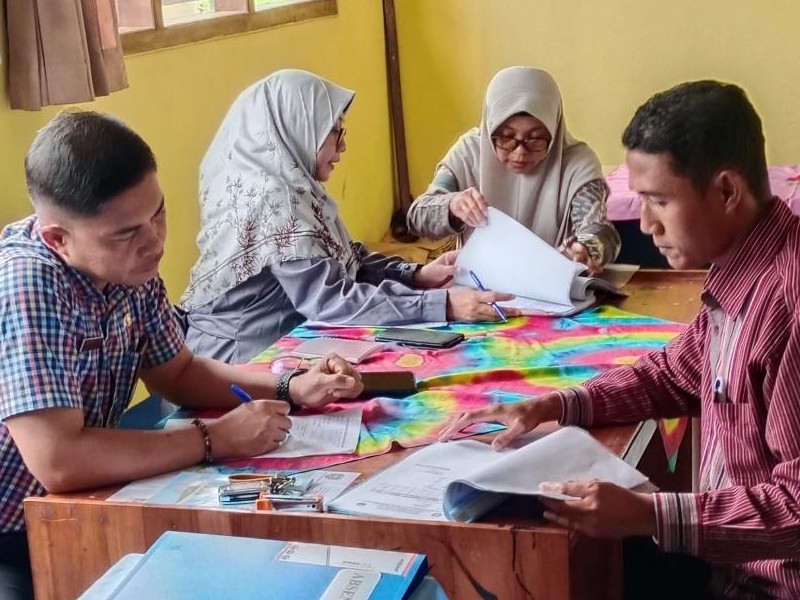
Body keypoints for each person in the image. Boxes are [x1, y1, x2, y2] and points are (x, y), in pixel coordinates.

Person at [440, 81, 800, 599]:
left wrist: (650, 514)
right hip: (730, 566)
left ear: (726, 192)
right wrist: (553, 405)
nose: (646, 224)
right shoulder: (741, 271)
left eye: (658, 201)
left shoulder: (787, 298)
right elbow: (673, 375)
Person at [0, 111, 364, 600]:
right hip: (12, 528)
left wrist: (290, 385)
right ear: (58, 240)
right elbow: (58, 460)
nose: (153, 242)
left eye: (158, 213)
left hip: (72, 507)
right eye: (125, 232)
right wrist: (214, 439)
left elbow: (178, 371)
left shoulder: (127, 268)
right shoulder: (28, 283)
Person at [180, 69, 517, 364]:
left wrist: (416, 275)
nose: (342, 147)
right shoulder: (274, 201)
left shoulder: (297, 189)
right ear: (299, 128)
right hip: (238, 365)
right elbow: (331, 301)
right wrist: (442, 305)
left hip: (286, 348)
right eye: (335, 132)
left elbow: (344, 259)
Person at [406, 66, 620, 274]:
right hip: (478, 284)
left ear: (554, 132)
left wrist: (586, 249)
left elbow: (600, 230)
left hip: (551, 282)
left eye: (535, 139)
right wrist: (452, 205)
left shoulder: (578, 163)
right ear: (490, 128)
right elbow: (417, 215)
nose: (520, 153)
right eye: (506, 137)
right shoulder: (468, 153)